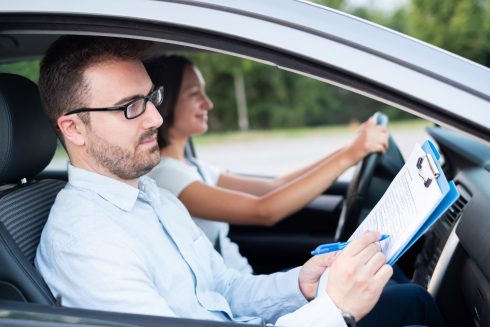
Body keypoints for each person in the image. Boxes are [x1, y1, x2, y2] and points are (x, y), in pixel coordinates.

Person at [35, 35, 443, 327]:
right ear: (73, 128)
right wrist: (335, 309)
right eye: (130, 107)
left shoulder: (150, 195)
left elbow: (222, 287)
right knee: (411, 304)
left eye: (151, 98)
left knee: (409, 301)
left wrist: (300, 284)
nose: (156, 119)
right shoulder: (85, 244)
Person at [145, 55, 388, 273]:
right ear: (165, 103)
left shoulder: (191, 165)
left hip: (242, 281)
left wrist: (349, 150)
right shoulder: (166, 175)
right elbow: (265, 211)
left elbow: (275, 186)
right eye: (194, 94)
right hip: (231, 296)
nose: (208, 104)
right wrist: (349, 155)